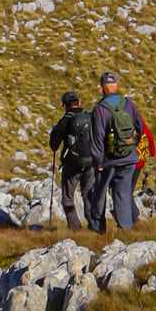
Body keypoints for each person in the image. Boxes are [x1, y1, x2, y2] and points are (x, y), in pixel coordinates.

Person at [88, 72, 143, 233]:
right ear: (116, 86)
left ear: (102, 88)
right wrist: (131, 146)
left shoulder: (100, 109)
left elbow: (98, 137)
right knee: (123, 195)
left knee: (98, 194)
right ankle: (126, 231)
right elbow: (139, 127)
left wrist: (98, 162)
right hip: (129, 157)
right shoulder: (128, 104)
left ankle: (98, 231)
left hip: (108, 160)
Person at [49, 90, 95, 230]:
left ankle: (75, 229)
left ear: (65, 105)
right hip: (91, 162)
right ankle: (94, 226)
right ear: (79, 102)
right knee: (88, 195)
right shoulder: (90, 116)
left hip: (72, 165)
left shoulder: (66, 120)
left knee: (68, 198)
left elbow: (54, 145)